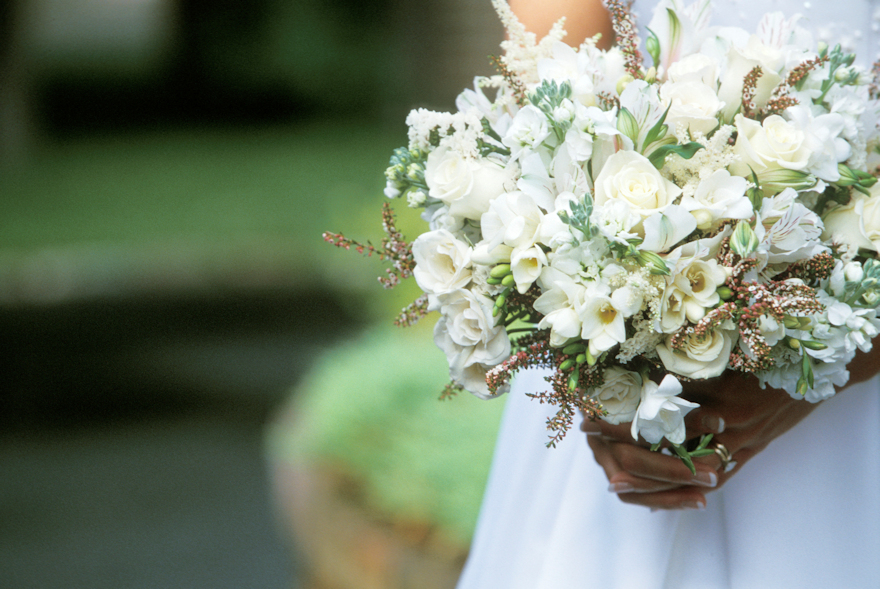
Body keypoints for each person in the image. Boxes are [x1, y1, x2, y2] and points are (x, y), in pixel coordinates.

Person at [455, 1, 880, 587]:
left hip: (847, 374)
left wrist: (836, 358)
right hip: (599, 277)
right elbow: (550, 48)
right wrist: (604, 362)